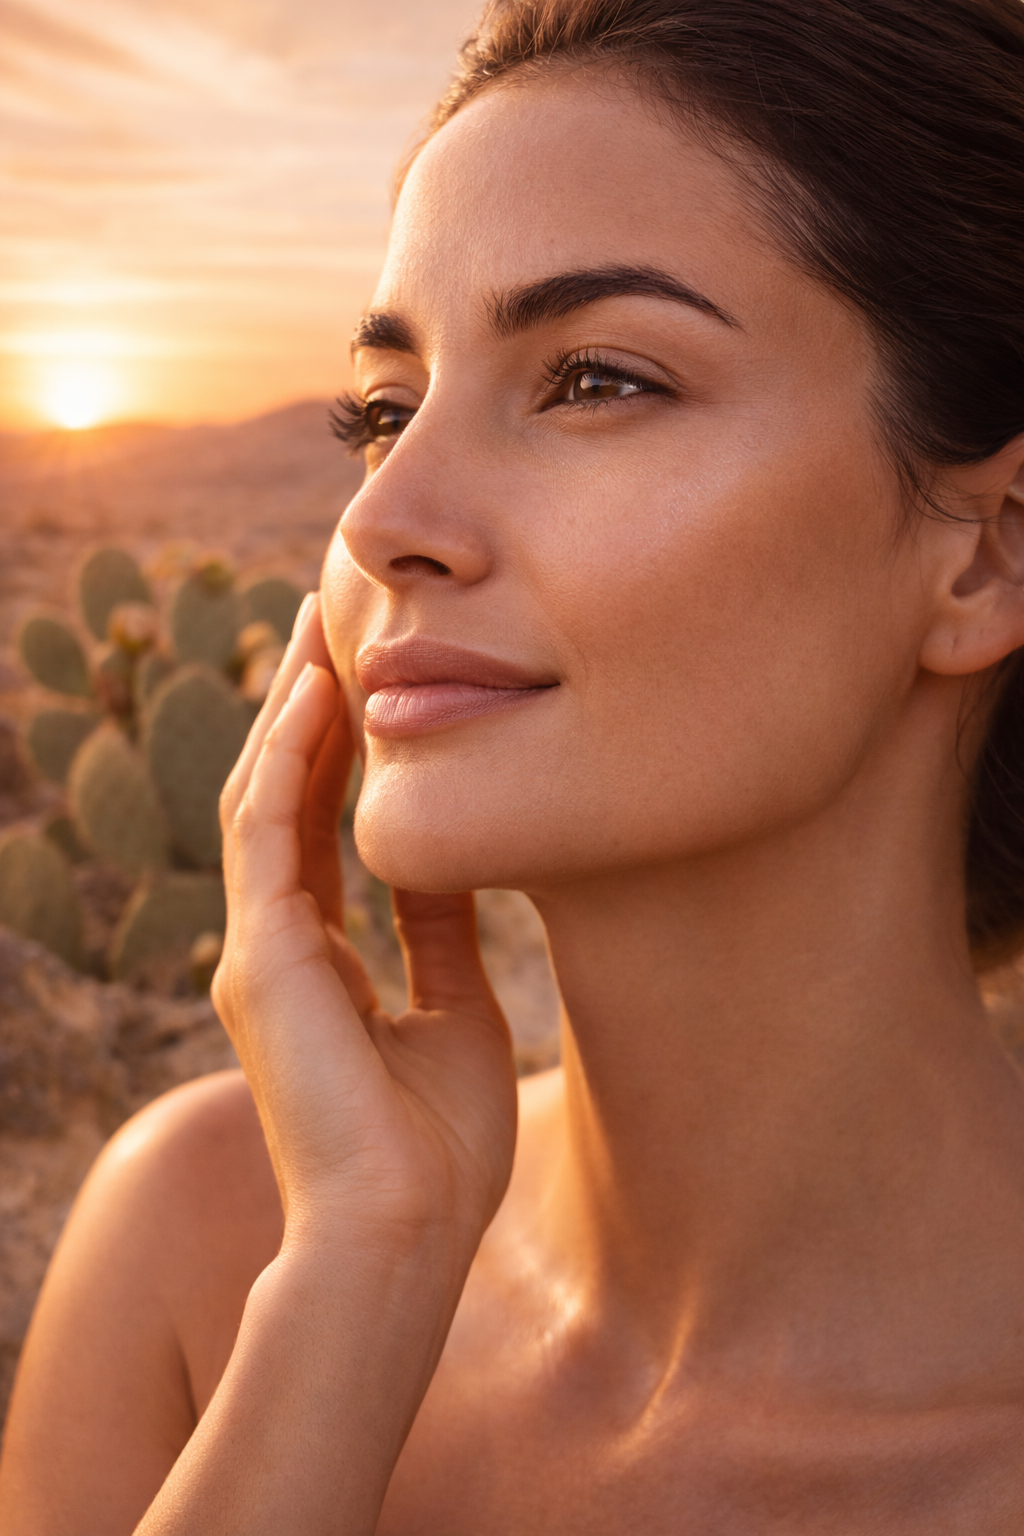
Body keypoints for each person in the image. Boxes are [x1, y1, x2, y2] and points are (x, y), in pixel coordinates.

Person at [2, 0, 1024, 1529]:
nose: (379, 518)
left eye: (597, 379)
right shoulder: (213, 1243)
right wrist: (363, 1278)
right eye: (384, 410)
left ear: (984, 558)